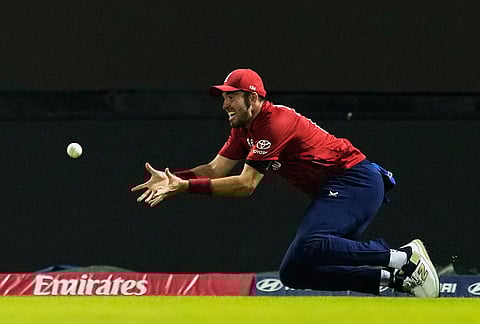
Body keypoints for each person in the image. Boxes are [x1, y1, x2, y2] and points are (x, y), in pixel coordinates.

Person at [132, 68, 439, 297]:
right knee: (294, 271)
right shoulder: (244, 129)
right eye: (223, 96)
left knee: (311, 243)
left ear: (252, 98)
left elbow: (245, 184)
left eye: (231, 96)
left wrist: (184, 188)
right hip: (337, 188)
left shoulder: (274, 123)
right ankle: (392, 280)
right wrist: (175, 178)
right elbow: (215, 169)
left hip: (355, 179)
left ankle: (404, 258)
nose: (224, 103)